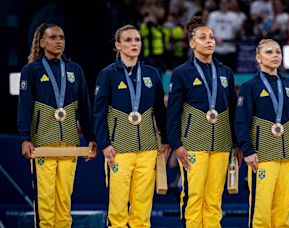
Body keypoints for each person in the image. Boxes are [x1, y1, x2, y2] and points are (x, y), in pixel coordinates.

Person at [17, 23, 97, 228]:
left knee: (64, 201)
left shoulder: (74, 70)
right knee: (45, 202)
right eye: (53, 37)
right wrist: (25, 137)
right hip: (42, 145)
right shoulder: (31, 70)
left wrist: (90, 137)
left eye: (61, 37)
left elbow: (85, 108)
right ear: (42, 42)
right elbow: (24, 106)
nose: (59, 41)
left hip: (70, 144)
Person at [93, 24, 169, 228]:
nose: (134, 43)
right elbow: (98, 113)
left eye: (137, 40)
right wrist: (104, 144)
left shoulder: (152, 73)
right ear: (118, 45)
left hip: (147, 148)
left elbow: (159, 111)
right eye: (128, 40)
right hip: (118, 149)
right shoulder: (108, 74)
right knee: (118, 207)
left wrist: (167, 140)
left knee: (142, 208)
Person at [167, 16, 238, 227]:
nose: (210, 41)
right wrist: (176, 144)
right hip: (193, 145)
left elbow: (233, 110)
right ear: (191, 43)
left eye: (212, 37)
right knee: (193, 197)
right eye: (203, 37)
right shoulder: (181, 73)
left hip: (222, 146)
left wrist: (236, 144)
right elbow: (173, 112)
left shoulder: (225, 72)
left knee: (214, 199)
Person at [235, 39, 289, 228]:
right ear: (258, 57)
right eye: (269, 52)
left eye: (278, 52)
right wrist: (248, 150)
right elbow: (241, 122)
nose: (275, 55)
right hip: (262, 157)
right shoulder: (249, 86)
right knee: (261, 214)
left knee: (284, 214)